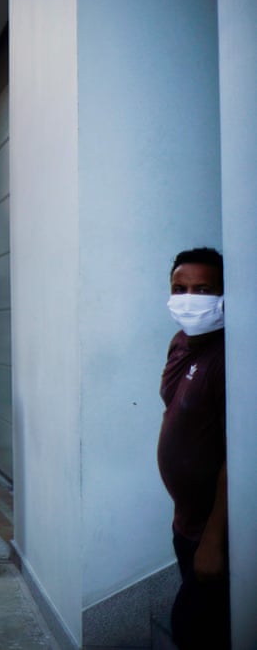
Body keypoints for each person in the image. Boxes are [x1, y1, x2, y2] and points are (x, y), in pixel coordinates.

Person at [157, 247, 230, 649]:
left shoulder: (230, 356)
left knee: (193, 628)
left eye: (203, 289)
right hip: (184, 522)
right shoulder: (182, 343)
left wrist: (214, 541)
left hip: (212, 530)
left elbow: (237, 456)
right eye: (179, 288)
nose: (190, 299)